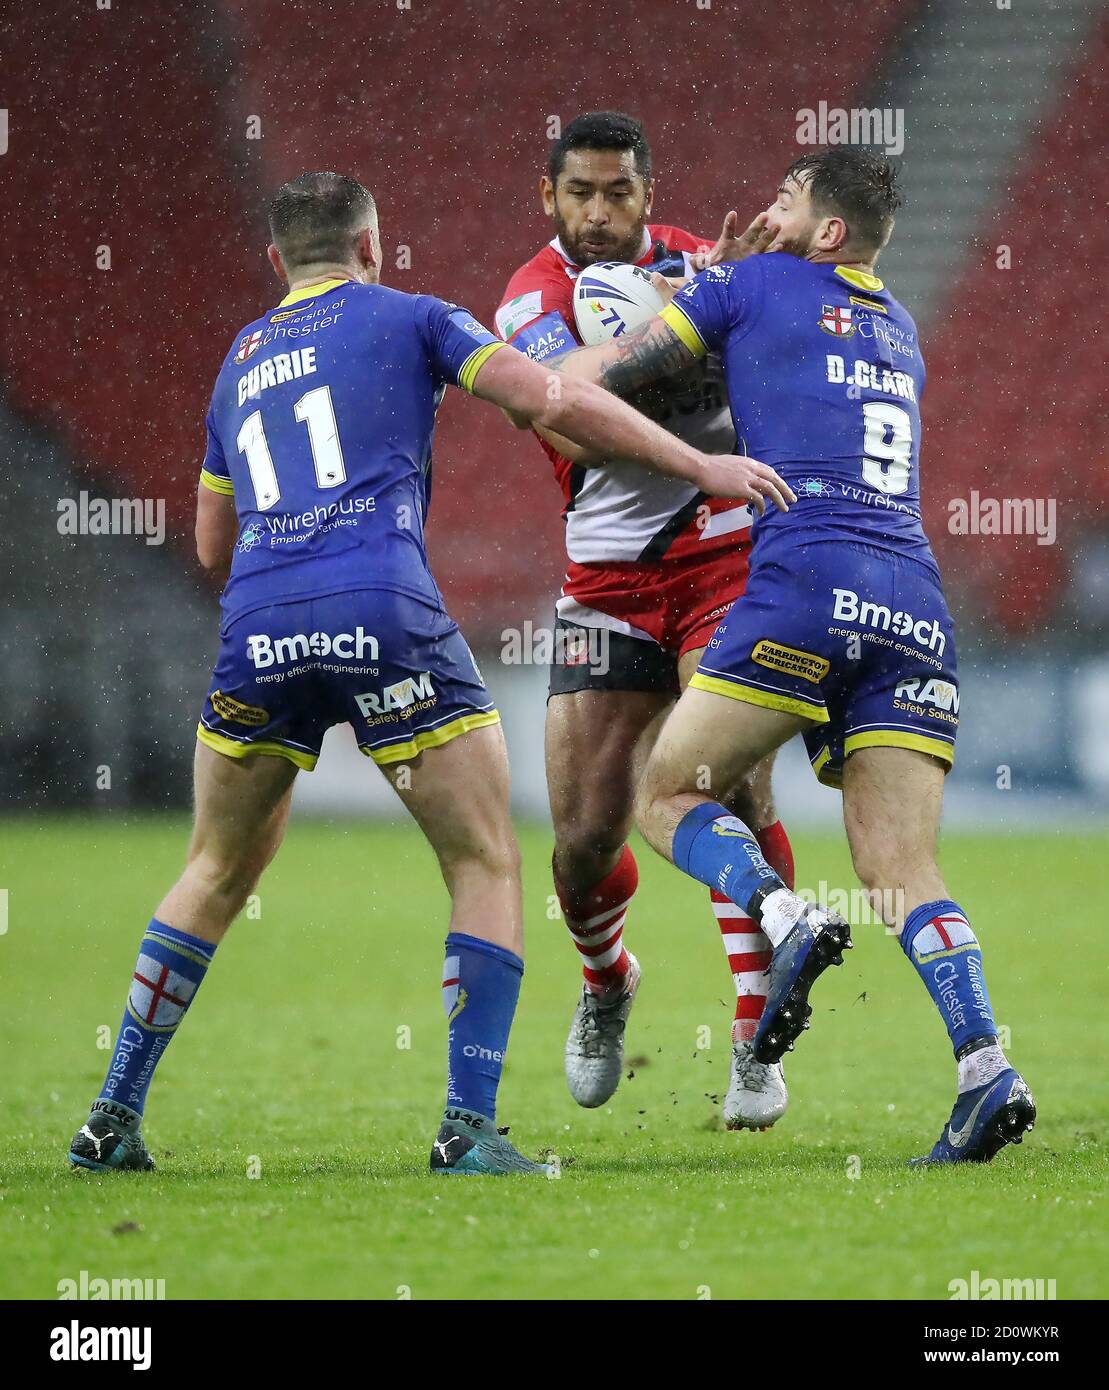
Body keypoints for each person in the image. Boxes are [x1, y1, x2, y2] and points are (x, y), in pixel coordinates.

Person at [66, 171, 792, 1179]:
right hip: (384, 613)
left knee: (214, 868)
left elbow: (208, 543)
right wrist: (701, 464)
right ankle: (466, 1129)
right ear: (372, 245)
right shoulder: (414, 317)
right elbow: (554, 397)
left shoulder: (237, 362)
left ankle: (111, 1115)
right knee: (483, 858)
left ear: (277, 262)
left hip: (259, 627)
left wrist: (287, 587)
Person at [549, 149, 1036, 1164]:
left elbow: (611, 383)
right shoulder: (898, 328)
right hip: (911, 606)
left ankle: (783, 913)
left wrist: (601, 343)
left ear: (823, 231)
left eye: (783, 201)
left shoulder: (745, 281)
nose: (765, 213)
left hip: (802, 589)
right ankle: (984, 1065)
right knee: (901, 869)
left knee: (664, 790)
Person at [496, 111, 795, 1130]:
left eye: (616, 190)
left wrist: (747, 292)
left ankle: (757, 1040)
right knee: (581, 839)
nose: (596, 211)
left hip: (724, 562)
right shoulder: (529, 300)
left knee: (736, 786)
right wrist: (674, 323)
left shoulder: (698, 262)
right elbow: (560, 419)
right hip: (609, 587)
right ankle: (605, 979)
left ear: (645, 191)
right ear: (548, 196)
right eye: (577, 191)